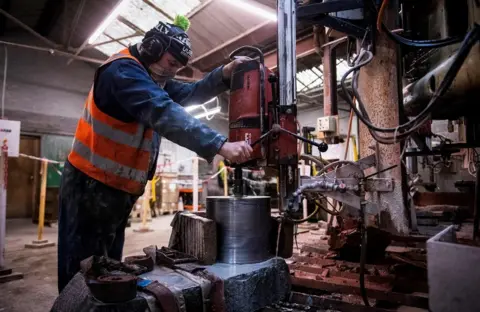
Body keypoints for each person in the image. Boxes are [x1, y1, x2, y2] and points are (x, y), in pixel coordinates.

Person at [57, 15, 253, 292]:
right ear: (152, 48)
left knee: (107, 268)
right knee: (83, 270)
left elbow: (187, 93)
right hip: (90, 185)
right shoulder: (122, 72)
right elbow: (163, 111)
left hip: (115, 187)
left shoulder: (152, 75)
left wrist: (223, 74)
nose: (173, 72)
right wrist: (220, 145)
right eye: (172, 63)